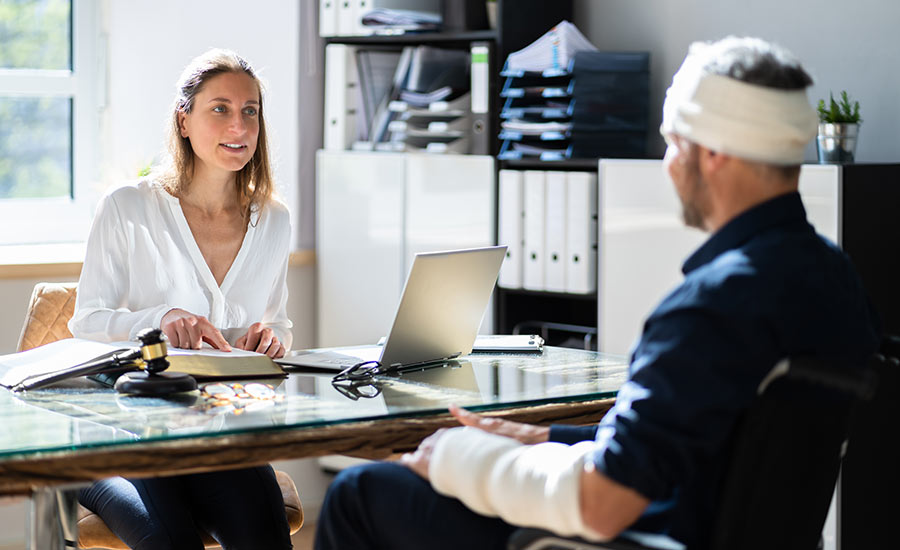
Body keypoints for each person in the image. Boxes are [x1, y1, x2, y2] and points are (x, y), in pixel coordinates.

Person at [314, 36, 881, 550]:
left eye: (673, 143)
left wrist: (463, 459)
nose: (668, 165)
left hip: (643, 536)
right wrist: (538, 438)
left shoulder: (712, 305)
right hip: (701, 526)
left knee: (361, 492)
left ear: (715, 152)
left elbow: (605, 504)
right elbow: (692, 441)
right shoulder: (836, 280)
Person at [69, 49, 294, 549]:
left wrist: (270, 339)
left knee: (264, 531)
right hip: (120, 433)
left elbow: (279, 324)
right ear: (184, 118)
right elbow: (86, 321)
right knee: (171, 540)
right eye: (220, 108)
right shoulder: (128, 208)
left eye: (250, 110)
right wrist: (161, 318)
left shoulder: (273, 218)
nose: (239, 124)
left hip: (216, 433)